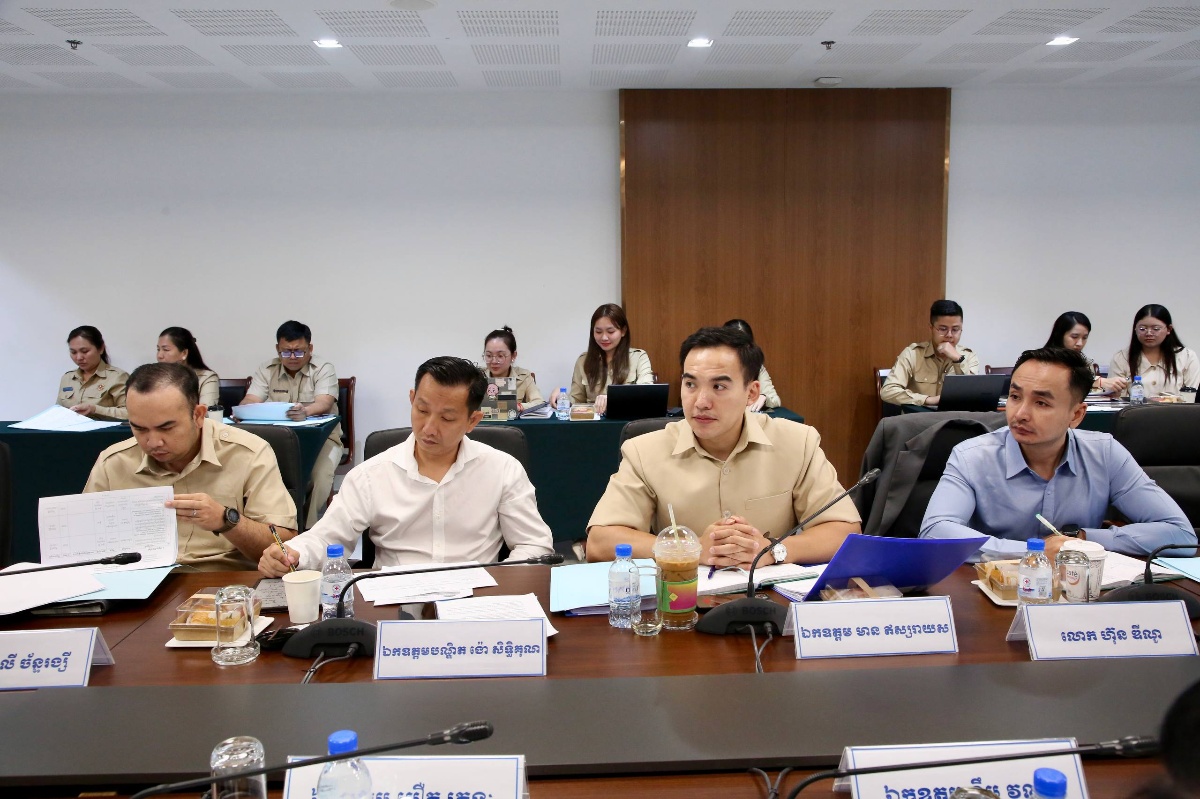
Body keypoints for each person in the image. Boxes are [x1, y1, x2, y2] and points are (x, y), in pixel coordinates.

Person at [586, 326, 861, 566]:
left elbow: (845, 531)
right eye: (690, 384)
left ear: (751, 393)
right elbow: (599, 542)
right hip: (681, 598)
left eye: (719, 387)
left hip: (767, 599)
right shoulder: (644, 451)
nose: (701, 402)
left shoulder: (798, 443)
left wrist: (772, 550)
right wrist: (689, 549)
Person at [259, 356, 554, 575]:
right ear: (412, 399)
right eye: (422, 410)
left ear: (472, 421)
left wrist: (498, 583)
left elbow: (534, 545)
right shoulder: (371, 475)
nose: (429, 428)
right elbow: (327, 537)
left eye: (447, 418)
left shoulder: (502, 470)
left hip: (475, 600)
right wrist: (294, 553)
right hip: (392, 602)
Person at [921, 347, 1194, 561]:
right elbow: (935, 532)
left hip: (1078, 590)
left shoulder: (1104, 454)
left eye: (1041, 403)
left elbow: (1180, 535)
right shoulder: (972, 457)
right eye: (1015, 397)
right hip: (994, 590)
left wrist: (1082, 539)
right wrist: (1035, 552)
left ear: (1076, 415)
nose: (1020, 414)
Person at [84, 362, 297, 570]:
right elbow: (83, 546)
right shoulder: (113, 463)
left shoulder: (248, 453)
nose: (153, 442)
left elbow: (284, 548)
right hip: (139, 581)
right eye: (140, 429)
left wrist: (226, 521)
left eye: (166, 428)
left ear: (198, 415)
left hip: (221, 579)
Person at [242, 320, 342, 528]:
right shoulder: (267, 369)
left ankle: (308, 528)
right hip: (278, 441)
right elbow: (251, 399)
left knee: (320, 477)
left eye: (299, 351)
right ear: (277, 349)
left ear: (310, 348)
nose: (293, 357)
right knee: (258, 472)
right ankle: (279, 527)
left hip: (321, 439)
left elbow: (324, 403)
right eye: (286, 352)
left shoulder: (323, 368)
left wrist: (305, 411)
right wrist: (243, 409)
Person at [552, 303, 653, 416]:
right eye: (598, 332)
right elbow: (577, 400)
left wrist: (613, 398)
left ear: (623, 331)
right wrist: (562, 397)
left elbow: (647, 394)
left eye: (611, 331)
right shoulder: (583, 361)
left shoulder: (639, 357)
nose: (604, 337)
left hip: (627, 421)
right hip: (593, 423)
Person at [880, 299, 980, 408]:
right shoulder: (912, 354)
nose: (949, 335)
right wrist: (928, 400)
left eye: (955, 329)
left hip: (953, 417)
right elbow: (888, 391)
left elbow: (971, 395)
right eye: (943, 329)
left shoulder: (969, 356)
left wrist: (957, 359)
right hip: (919, 416)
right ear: (931, 328)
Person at [1109, 304, 1200, 399]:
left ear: (1169, 329)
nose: (1149, 333)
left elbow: (1192, 397)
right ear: (1135, 329)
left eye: (1156, 329)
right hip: (1135, 409)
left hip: (1177, 409)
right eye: (1142, 329)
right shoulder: (1121, 358)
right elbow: (1116, 399)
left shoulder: (1186, 356)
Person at [1041, 311, 1126, 394]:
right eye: (1074, 337)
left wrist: (1110, 390)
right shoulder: (1044, 360)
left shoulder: (1084, 361)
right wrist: (1097, 382)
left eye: (1084, 338)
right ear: (1060, 335)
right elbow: (1059, 382)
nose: (1080, 343)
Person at [57, 325, 129, 420]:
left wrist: (95, 409)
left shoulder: (117, 377)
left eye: (85, 351)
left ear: (101, 348)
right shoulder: (67, 378)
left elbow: (130, 413)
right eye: (73, 352)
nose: (79, 357)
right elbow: (58, 412)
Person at [156, 326, 220, 408]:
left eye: (166, 350)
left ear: (184, 353)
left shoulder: (205, 378)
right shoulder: (155, 378)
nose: (159, 356)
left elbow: (205, 412)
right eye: (158, 349)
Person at [724, 318, 780, 410]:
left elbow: (775, 399)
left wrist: (764, 398)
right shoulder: (711, 366)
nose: (738, 351)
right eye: (734, 345)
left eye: (743, 346)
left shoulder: (755, 366)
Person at [481, 325, 543, 406]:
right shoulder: (477, 377)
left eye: (500, 356)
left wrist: (518, 406)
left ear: (513, 355)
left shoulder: (523, 377)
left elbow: (539, 402)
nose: (494, 361)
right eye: (489, 356)